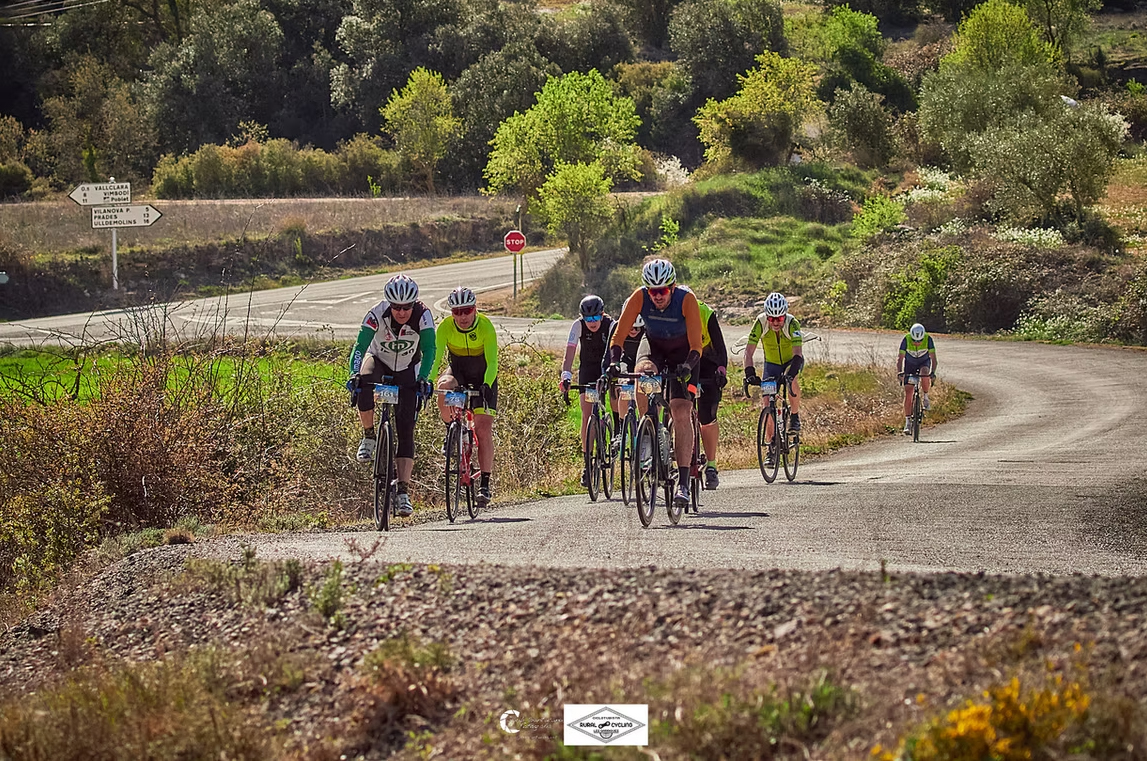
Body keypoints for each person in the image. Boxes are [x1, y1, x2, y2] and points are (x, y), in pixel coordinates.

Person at [607, 258, 703, 509]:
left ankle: (682, 481)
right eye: (653, 291)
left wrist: (687, 368)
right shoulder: (639, 297)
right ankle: (648, 427)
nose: (657, 296)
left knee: (681, 411)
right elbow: (618, 336)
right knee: (643, 372)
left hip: (684, 354)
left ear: (671, 287)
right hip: (655, 348)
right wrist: (614, 363)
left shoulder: (687, 300)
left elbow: (696, 346)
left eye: (662, 291)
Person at [349, 274, 436, 517]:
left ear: (414, 304)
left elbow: (430, 350)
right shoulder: (376, 313)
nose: (401, 312)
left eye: (406, 307)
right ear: (389, 303)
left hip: (408, 369)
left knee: (406, 428)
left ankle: (403, 492)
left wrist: (423, 379)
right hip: (379, 361)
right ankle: (369, 435)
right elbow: (360, 346)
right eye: (396, 307)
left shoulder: (423, 315)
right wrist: (353, 372)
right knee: (363, 381)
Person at [430, 286, 499, 505]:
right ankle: (451, 430)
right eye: (457, 312)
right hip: (458, 371)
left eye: (467, 310)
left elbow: (493, 362)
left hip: (483, 375)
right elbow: (436, 357)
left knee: (483, 428)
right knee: (444, 384)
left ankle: (485, 484)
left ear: (475, 309)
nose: (462, 317)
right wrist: (427, 381)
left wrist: (487, 384)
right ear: (451, 313)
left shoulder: (486, 326)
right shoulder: (445, 328)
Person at [560, 295, 616, 488]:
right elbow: (569, 354)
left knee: (617, 395)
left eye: (595, 318)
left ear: (602, 314)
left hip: (607, 368)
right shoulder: (578, 326)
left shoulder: (610, 325)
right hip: (587, 370)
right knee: (587, 415)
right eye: (588, 319)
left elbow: (618, 350)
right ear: (582, 317)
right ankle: (587, 464)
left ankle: (617, 430)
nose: (592, 323)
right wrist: (565, 375)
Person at [743, 292, 803, 468]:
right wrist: (749, 373)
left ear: (785, 315)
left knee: (791, 382)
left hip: (791, 361)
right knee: (767, 402)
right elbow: (748, 351)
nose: (776, 322)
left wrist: (791, 373)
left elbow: (798, 354)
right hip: (772, 364)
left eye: (779, 318)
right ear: (766, 317)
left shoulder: (793, 323)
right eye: (772, 319)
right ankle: (771, 448)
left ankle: (794, 415)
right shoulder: (760, 322)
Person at [696, 301, 728, 489]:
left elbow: (721, 347)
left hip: (708, 359)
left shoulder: (705, 313)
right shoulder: (673, 312)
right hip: (684, 359)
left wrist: (721, 371)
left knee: (707, 416)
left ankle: (711, 465)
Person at [898, 322, 937, 434]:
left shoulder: (928, 339)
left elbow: (933, 359)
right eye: (915, 341)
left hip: (923, 362)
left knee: (925, 373)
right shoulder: (906, 339)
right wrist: (900, 372)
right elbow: (900, 359)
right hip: (910, 365)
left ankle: (925, 397)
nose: (917, 343)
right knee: (909, 392)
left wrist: (933, 372)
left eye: (919, 341)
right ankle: (908, 422)